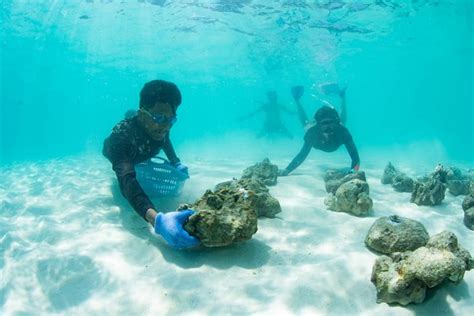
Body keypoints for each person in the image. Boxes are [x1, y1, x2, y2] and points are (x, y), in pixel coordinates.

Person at [103, 80, 199, 249]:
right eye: (159, 117)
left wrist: (176, 162)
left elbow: (165, 140)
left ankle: (139, 114)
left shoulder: (162, 127)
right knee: (126, 166)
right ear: (142, 114)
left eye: (171, 119)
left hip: (144, 148)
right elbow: (127, 181)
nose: (165, 126)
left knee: (161, 130)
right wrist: (156, 220)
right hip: (120, 151)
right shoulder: (120, 138)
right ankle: (131, 114)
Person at [279, 85, 360, 176]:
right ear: (318, 125)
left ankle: (342, 97)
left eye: (331, 123)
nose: (329, 127)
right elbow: (302, 155)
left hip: (338, 126)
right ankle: (297, 100)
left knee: (342, 122)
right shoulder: (312, 133)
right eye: (325, 123)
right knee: (305, 125)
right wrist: (287, 170)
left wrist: (353, 172)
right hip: (315, 128)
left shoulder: (342, 132)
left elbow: (355, 158)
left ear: (335, 123)